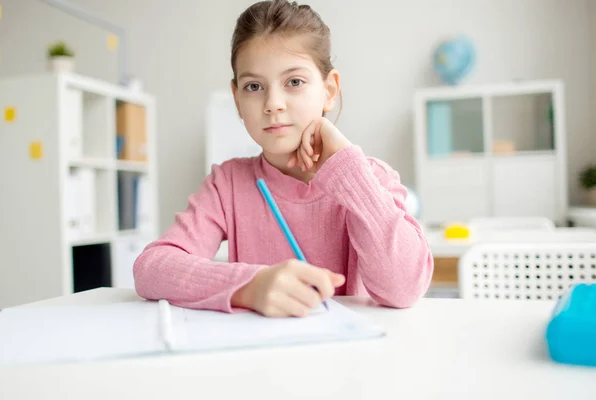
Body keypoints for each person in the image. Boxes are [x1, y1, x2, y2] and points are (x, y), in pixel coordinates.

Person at [134, 0, 434, 317]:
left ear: (330, 90)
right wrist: (251, 285)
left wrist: (348, 168)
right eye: (254, 86)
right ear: (236, 99)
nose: (273, 103)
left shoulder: (370, 178)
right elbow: (151, 269)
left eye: (294, 82)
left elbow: (404, 289)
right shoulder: (228, 184)